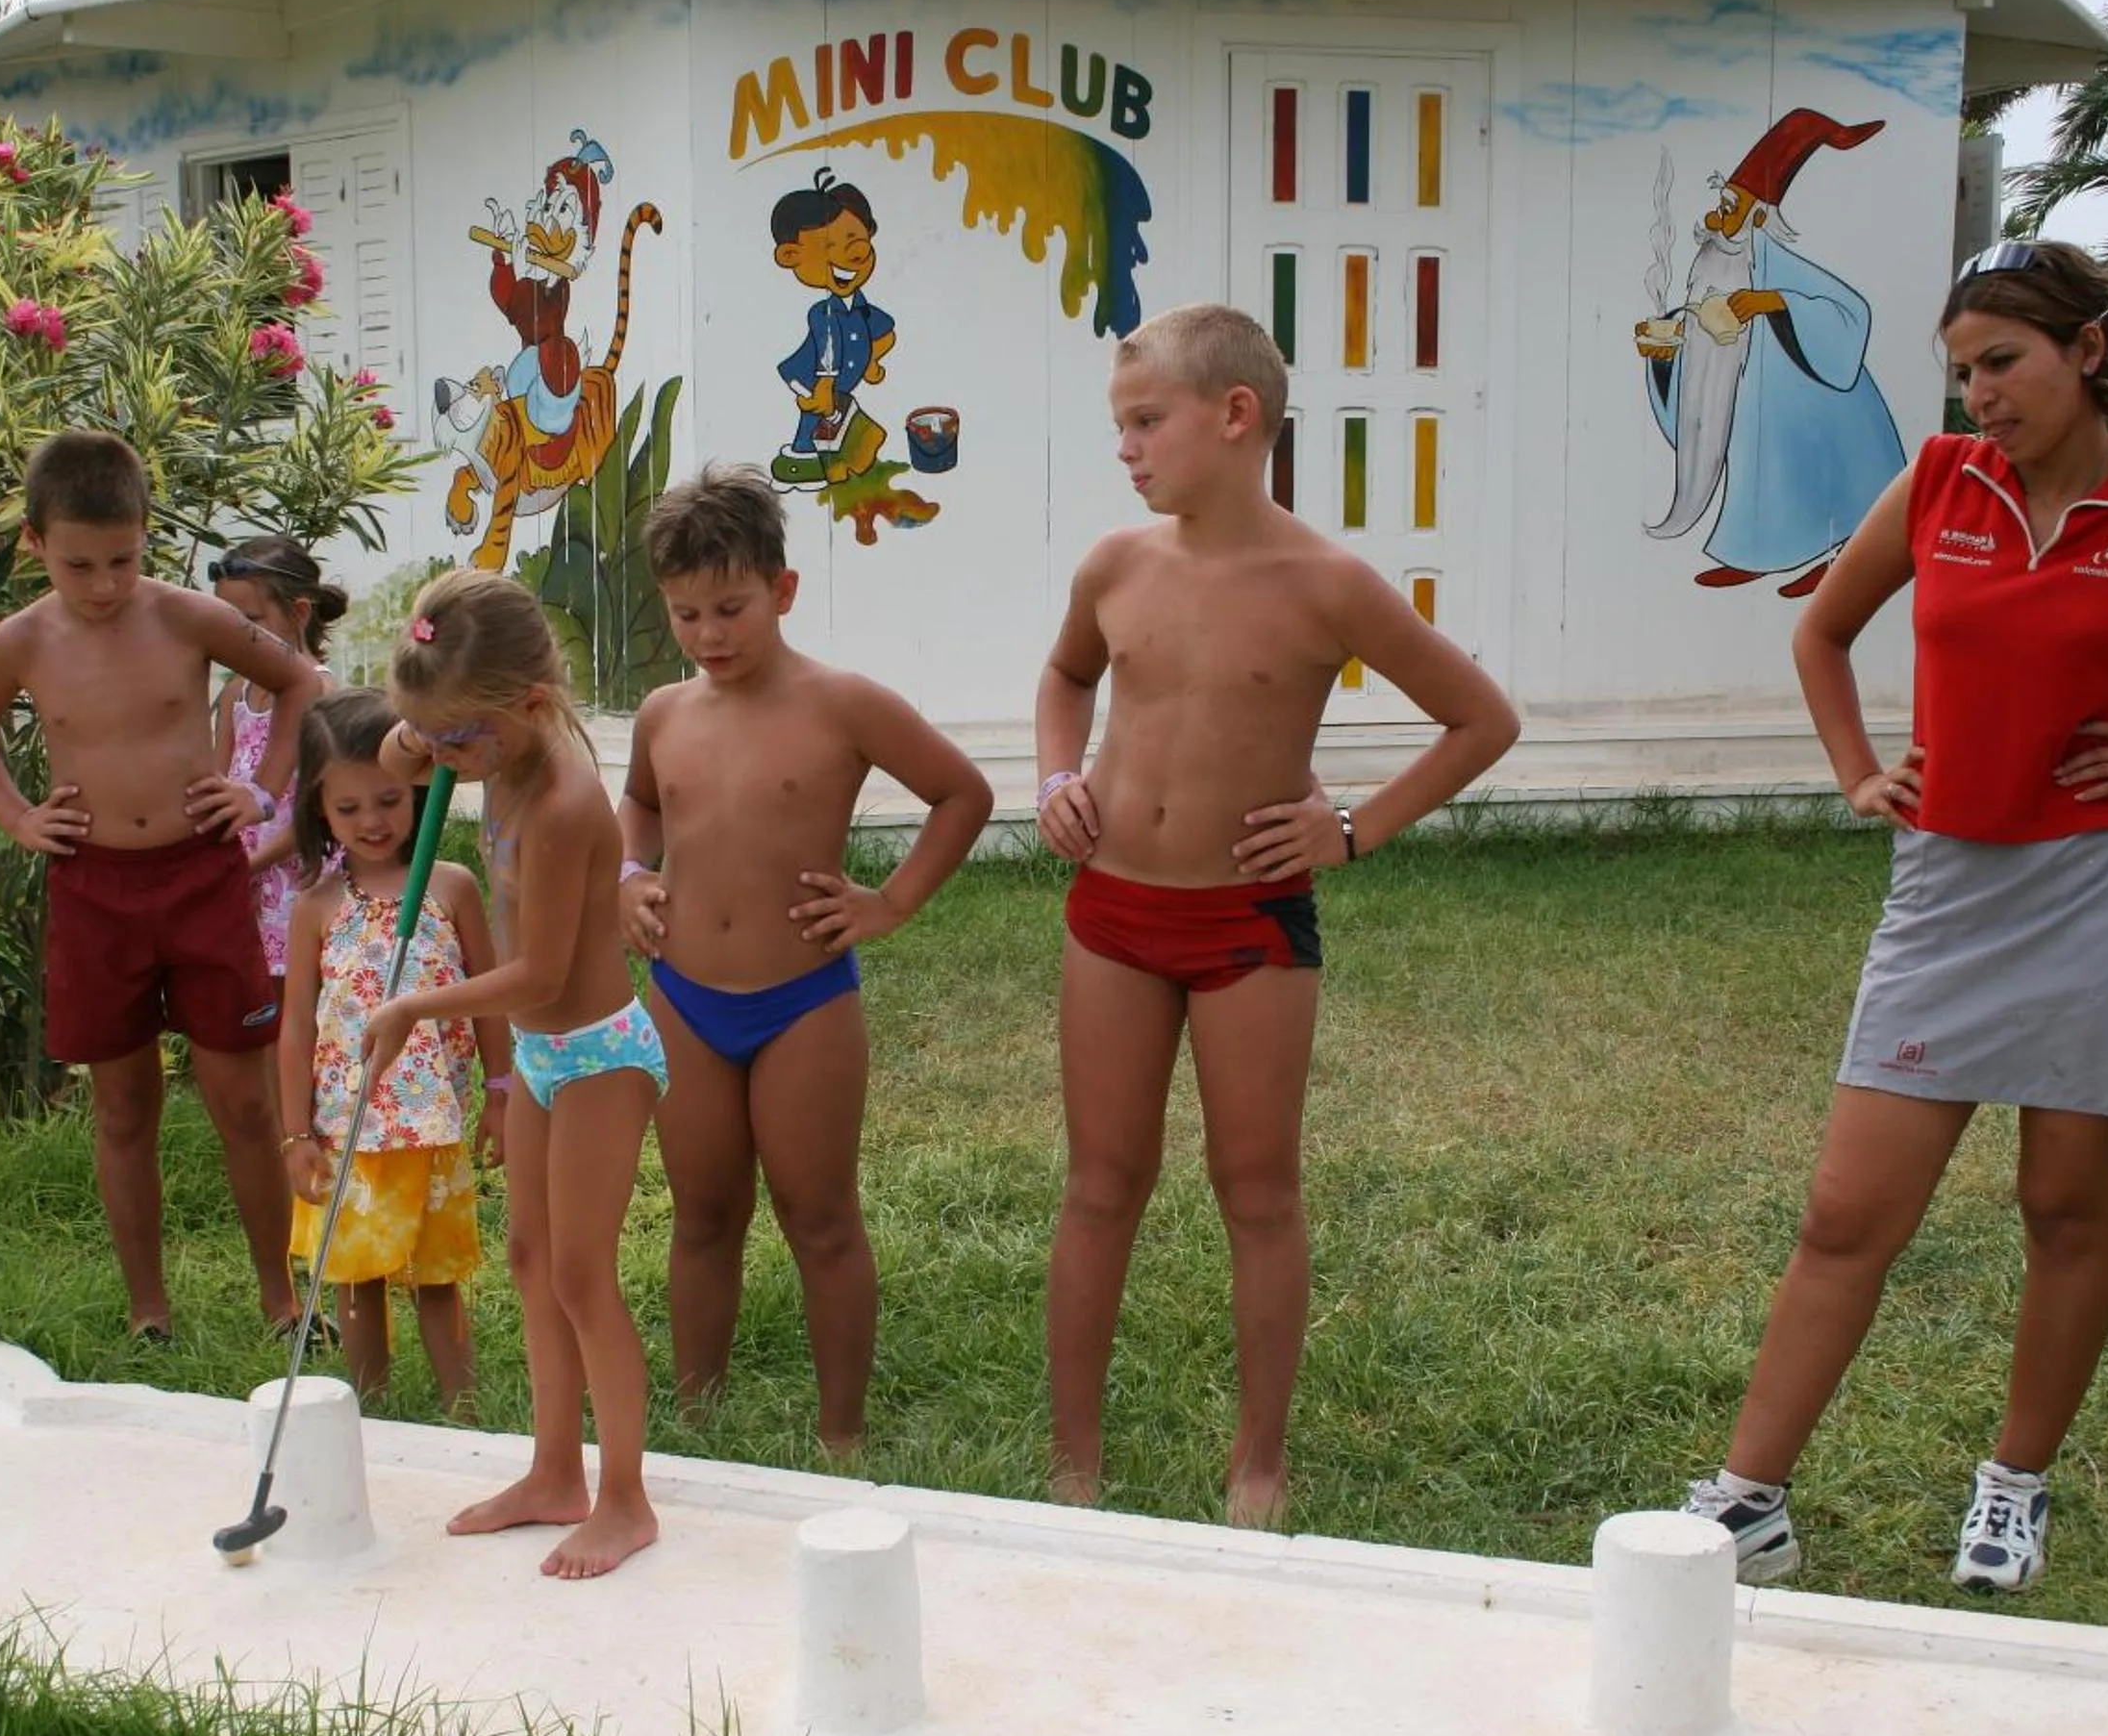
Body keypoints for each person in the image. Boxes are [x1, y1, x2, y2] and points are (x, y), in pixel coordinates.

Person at [1679, 240, 2108, 1593]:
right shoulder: (1935, 482)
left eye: (2002, 363)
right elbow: (1821, 632)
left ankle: (2013, 1490)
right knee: (1847, 1213)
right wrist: (1862, 773)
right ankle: (1746, 1501)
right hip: (1949, 892)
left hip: (2105, 894)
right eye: (1963, 369)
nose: (1978, 393)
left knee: (2065, 1212)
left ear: (2088, 352)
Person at [1035, 303, 1520, 1526]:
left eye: (1147, 422)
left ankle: (1260, 1459)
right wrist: (1054, 775)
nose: (1128, 450)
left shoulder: (1330, 585)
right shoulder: (1116, 565)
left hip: (1250, 927)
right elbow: (1067, 675)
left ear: (1235, 416)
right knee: (1101, 1183)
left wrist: (1353, 827)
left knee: (1256, 1188)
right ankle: (1073, 1456)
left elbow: (1482, 721)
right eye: (1121, 426)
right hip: (1113, 917)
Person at [618, 465, 992, 1451]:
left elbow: (963, 795)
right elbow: (644, 806)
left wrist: (892, 901)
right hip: (683, 996)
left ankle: (842, 1432)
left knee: (818, 1214)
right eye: (686, 614)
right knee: (702, 1212)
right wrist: (627, 874)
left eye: (731, 608)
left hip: (804, 1001)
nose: (710, 635)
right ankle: (697, 1415)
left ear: (783, 592)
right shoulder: (665, 714)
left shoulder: (844, 705)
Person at [0, 429, 328, 1344]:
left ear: (148, 535)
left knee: (242, 1099)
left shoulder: (189, 616)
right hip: (95, 888)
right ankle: (149, 1310)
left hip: (201, 879)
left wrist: (262, 788)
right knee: (123, 1106)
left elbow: (300, 682)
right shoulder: (21, 641)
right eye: (80, 564)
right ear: (34, 543)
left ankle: (282, 1301)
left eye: (124, 558)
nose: (106, 584)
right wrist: (18, 818)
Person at [364, 570, 666, 1578]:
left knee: (584, 1274)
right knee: (533, 1265)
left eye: (461, 743)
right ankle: (553, 1472)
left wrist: (414, 1005)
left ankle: (624, 1497)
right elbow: (391, 750)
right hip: (541, 1055)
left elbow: (537, 971)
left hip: (598, 1055)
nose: (442, 764)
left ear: (531, 706)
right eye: (437, 742)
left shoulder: (567, 802)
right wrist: (420, 733)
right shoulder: (488, 745)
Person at [279, 688, 495, 1419]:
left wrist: (501, 1091)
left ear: (420, 791)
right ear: (319, 809)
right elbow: (296, 1027)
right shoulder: (315, 908)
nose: (373, 821)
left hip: (432, 1124)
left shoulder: (451, 888)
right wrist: (296, 1133)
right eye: (349, 809)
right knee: (356, 1275)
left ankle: (462, 1407)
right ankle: (367, 1409)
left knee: (437, 1276)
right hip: (347, 1130)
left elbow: (490, 995)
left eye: (389, 800)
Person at [210, 536, 350, 1002]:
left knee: (300, 1009)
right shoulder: (235, 695)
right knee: (254, 1011)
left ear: (299, 613)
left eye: (250, 621)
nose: (235, 636)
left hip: (297, 878)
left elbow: (318, 808)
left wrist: (252, 867)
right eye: (225, 622)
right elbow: (219, 783)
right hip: (242, 878)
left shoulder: (323, 697)